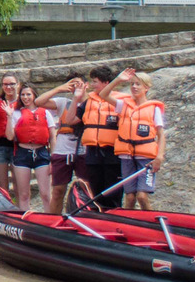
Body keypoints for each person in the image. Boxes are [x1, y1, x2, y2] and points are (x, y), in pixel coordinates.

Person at [102, 69, 166, 210]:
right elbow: (104, 94)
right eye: (132, 84)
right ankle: (128, 223)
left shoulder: (153, 108)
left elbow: (161, 134)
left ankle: (151, 223)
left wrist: (159, 157)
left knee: (142, 196)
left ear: (146, 88)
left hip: (146, 157)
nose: (134, 87)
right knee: (130, 197)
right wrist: (118, 80)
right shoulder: (123, 105)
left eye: (138, 84)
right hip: (126, 155)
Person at [37, 77, 86, 215]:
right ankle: (53, 219)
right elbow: (39, 102)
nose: (76, 87)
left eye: (79, 84)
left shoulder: (91, 103)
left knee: (85, 187)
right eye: (73, 84)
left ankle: (84, 217)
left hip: (83, 148)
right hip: (63, 149)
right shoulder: (63, 102)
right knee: (58, 190)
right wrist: (60, 88)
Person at [76, 66, 123, 210]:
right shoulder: (88, 102)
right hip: (93, 152)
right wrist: (76, 98)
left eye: (95, 81)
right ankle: (98, 215)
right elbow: (72, 119)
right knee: (95, 190)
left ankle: (114, 215)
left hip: (112, 153)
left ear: (106, 83)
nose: (92, 85)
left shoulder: (120, 101)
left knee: (113, 190)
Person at [6, 83, 56, 210]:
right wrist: (9, 116)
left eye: (28, 94)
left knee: (45, 193)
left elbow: (52, 137)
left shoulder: (45, 112)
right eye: (22, 95)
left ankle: (50, 220)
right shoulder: (16, 113)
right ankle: (25, 221)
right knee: (23, 194)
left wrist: (53, 158)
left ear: (34, 95)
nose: (25, 97)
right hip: (23, 153)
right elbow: (10, 136)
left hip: (41, 152)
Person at [0, 74, 22, 198]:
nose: (8, 87)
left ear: (18, 84)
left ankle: (20, 212)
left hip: (17, 146)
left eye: (12, 84)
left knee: (19, 184)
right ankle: (5, 213)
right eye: (5, 84)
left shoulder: (23, 101)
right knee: (3, 186)